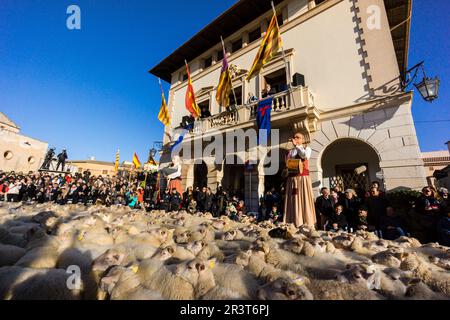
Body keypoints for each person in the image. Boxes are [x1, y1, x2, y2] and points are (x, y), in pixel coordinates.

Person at [284, 132, 317, 228]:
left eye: (298, 137)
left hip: (303, 178)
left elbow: (304, 156)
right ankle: (294, 221)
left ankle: (307, 222)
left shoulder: (307, 148)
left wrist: (298, 146)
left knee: (304, 198)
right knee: (294, 199)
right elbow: (288, 163)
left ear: (302, 140)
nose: (295, 139)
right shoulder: (290, 152)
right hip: (293, 179)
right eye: (294, 137)